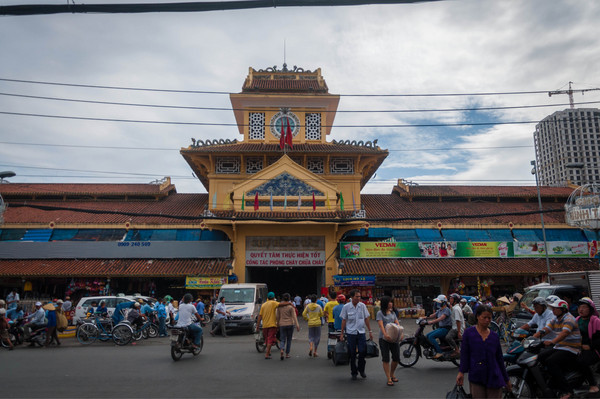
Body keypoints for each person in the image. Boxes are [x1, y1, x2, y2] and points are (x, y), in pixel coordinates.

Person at [457, 305, 510, 399]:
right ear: (477, 316)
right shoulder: (469, 333)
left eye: (489, 318)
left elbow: (499, 359)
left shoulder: (494, 336)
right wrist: (461, 372)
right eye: (484, 317)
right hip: (476, 376)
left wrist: (506, 379)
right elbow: (465, 354)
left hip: (494, 377)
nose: (487, 320)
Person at [534, 298, 581, 399]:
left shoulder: (569, 318)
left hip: (571, 348)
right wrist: (532, 338)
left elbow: (564, 333)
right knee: (539, 357)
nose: (553, 310)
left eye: (555, 308)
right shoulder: (556, 318)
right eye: (553, 308)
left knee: (551, 361)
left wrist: (552, 341)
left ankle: (567, 390)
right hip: (560, 347)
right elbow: (546, 329)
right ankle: (551, 381)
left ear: (563, 309)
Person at [340, 289, 373, 380]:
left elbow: (366, 318)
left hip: (361, 332)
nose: (359, 298)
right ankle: (354, 372)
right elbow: (344, 320)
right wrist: (342, 333)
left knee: (362, 351)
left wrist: (370, 331)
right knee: (352, 353)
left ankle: (361, 370)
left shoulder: (362, 306)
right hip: (351, 333)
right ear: (351, 297)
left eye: (359, 296)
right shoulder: (346, 307)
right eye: (357, 296)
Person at [575, 297, 600, 394]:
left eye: (584, 307)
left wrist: (590, 346)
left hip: (594, 350)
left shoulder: (596, 321)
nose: (581, 309)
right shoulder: (577, 320)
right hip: (579, 348)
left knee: (581, 361)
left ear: (590, 309)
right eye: (579, 307)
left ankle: (593, 384)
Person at [376, 296, 401, 387]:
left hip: (394, 338)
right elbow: (381, 325)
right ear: (385, 303)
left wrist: (400, 333)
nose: (391, 304)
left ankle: (392, 373)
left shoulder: (393, 313)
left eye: (391, 302)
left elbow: (397, 323)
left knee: (396, 358)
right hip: (384, 339)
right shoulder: (380, 313)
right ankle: (388, 378)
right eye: (389, 302)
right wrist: (385, 334)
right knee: (386, 358)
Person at [426, 294, 452, 359]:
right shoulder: (440, 310)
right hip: (441, 328)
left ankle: (439, 352)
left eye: (439, 302)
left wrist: (432, 322)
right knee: (427, 335)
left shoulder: (446, 310)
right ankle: (433, 349)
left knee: (431, 337)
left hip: (446, 329)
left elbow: (441, 318)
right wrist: (423, 318)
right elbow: (433, 315)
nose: (437, 303)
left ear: (443, 302)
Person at [277, 293, 300, 360]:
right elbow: (294, 316)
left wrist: (277, 324)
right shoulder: (291, 307)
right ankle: (287, 354)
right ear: (289, 298)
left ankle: (282, 350)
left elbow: (277, 316)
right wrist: (297, 325)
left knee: (282, 339)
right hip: (290, 324)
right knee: (289, 339)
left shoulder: (279, 306)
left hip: (282, 324)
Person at [257, 291, 279, 360]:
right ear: (273, 297)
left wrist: (257, 326)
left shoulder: (263, 305)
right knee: (270, 340)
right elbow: (282, 305)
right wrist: (289, 303)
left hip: (264, 325)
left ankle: (269, 352)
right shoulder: (274, 303)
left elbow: (260, 316)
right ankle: (267, 354)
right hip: (272, 325)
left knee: (267, 339)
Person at [446, 293, 465, 358]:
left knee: (448, 337)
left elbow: (458, 321)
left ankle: (456, 350)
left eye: (451, 298)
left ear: (455, 300)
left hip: (456, 328)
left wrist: (459, 332)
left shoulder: (456, 309)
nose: (450, 300)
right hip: (456, 327)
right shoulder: (455, 307)